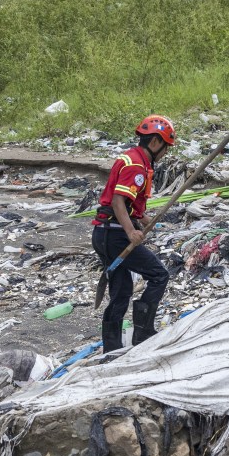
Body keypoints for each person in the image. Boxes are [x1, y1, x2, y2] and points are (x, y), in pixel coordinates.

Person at [91, 115, 176, 352]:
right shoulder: (137, 165)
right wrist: (131, 231)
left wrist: (141, 217)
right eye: (166, 148)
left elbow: (127, 203)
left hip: (103, 233)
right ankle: (143, 331)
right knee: (159, 275)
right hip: (115, 235)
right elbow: (118, 201)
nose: (166, 154)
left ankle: (111, 348)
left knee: (121, 291)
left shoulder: (133, 158)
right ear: (157, 143)